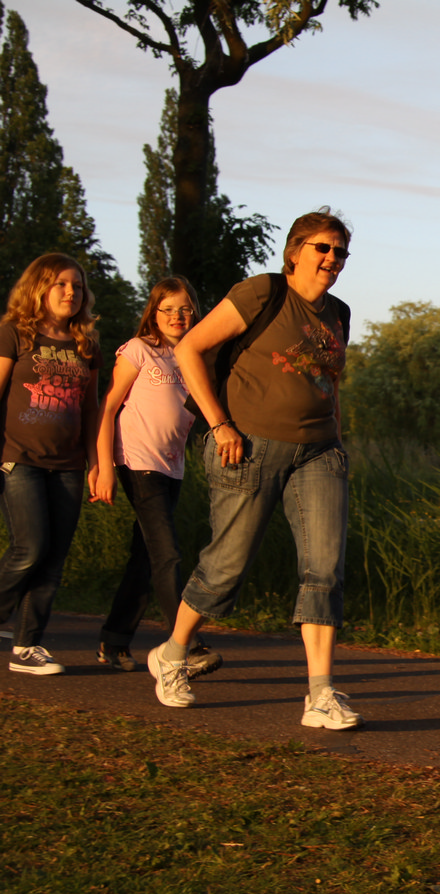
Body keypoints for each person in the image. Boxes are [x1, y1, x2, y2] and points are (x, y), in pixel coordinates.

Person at [153, 208, 360, 730]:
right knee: (227, 565)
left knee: (325, 570)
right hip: (247, 447)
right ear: (295, 252)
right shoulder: (263, 292)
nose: (332, 258)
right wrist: (219, 424)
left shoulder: (339, 313)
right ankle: (173, 654)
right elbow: (191, 348)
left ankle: (320, 694)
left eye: (340, 251)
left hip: (319, 453)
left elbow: (329, 382)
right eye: (322, 247)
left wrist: (338, 440)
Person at [90, 277, 220, 677]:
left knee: (145, 558)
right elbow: (108, 407)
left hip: (171, 466)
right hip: (136, 460)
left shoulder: (193, 356)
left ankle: (114, 641)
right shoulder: (139, 349)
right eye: (168, 309)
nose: (177, 316)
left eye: (185, 309)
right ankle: (186, 646)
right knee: (167, 553)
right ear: (154, 312)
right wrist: (104, 467)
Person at [0, 254, 101, 675]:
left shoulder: (85, 344)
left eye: (77, 285)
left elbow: (91, 410)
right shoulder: (15, 334)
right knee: (30, 548)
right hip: (19, 458)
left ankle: (27, 646)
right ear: (39, 288)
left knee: (54, 558)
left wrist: (96, 463)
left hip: (69, 465)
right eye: (60, 283)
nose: (70, 292)